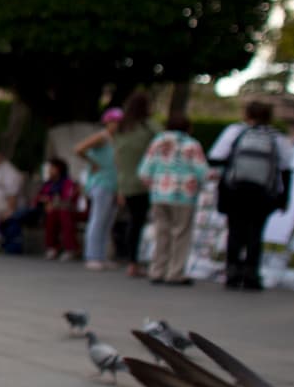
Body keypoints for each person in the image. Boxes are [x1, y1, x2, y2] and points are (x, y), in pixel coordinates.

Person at [209, 100, 292, 290]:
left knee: (235, 230)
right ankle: (251, 272)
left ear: (247, 114)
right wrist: (284, 196)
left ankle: (232, 271)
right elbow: (286, 168)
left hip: (236, 190)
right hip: (262, 193)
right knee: (256, 232)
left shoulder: (235, 132)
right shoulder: (277, 137)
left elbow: (216, 156)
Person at [137, 112, 208, 285]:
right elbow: (202, 171)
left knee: (161, 232)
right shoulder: (191, 145)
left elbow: (144, 170)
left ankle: (157, 270)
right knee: (181, 233)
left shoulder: (158, 142)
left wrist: (153, 184)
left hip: (159, 193)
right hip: (184, 194)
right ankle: (175, 272)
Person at [111, 91, 159, 276]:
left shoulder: (122, 128)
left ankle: (132, 260)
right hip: (148, 182)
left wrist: (120, 186)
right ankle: (146, 261)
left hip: (126, 181)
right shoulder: (149, 127)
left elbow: (117, 157)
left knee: (134, 221)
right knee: (145, 221)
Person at [74, 108, 121, 270]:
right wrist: (92, 163)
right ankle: (92, 255)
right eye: (114, 121)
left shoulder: (118, 139)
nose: (117, 125)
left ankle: (102, 255)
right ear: (107, 122)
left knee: (107, 221)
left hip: (114, 184)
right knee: (98, 219)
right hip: (101, 182)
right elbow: (79, 148)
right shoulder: (102, 137)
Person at [35, 157, 80, 260]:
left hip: (67, 210)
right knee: (52, 215)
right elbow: (38, 198)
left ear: (59, 169)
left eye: (52, 168)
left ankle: (70, 249)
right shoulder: (48, 184)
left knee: (61, 214)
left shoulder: (67, 183)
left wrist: (52, 203)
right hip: (48, 210)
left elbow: (68, 200)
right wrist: (46, 201)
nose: (49, 171)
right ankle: (52, 247)